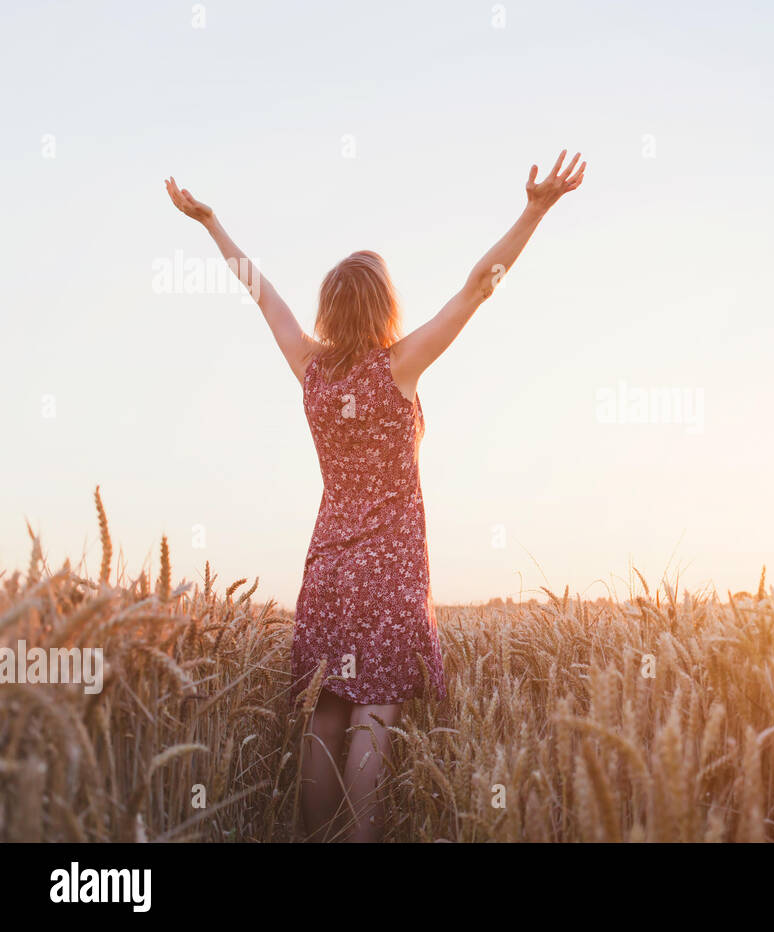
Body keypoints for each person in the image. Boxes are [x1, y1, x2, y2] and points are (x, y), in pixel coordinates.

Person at [164, 150, 586, 840]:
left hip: (328, 561)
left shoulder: (310, 370)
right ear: (386, 306)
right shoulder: (400, 367)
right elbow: (480, 286)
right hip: (388, 566)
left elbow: (256, 289)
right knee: (376, 713)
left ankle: (313, 838)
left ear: (330, 309)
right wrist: (534, 211)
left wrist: (212, 223)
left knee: (328, 709)